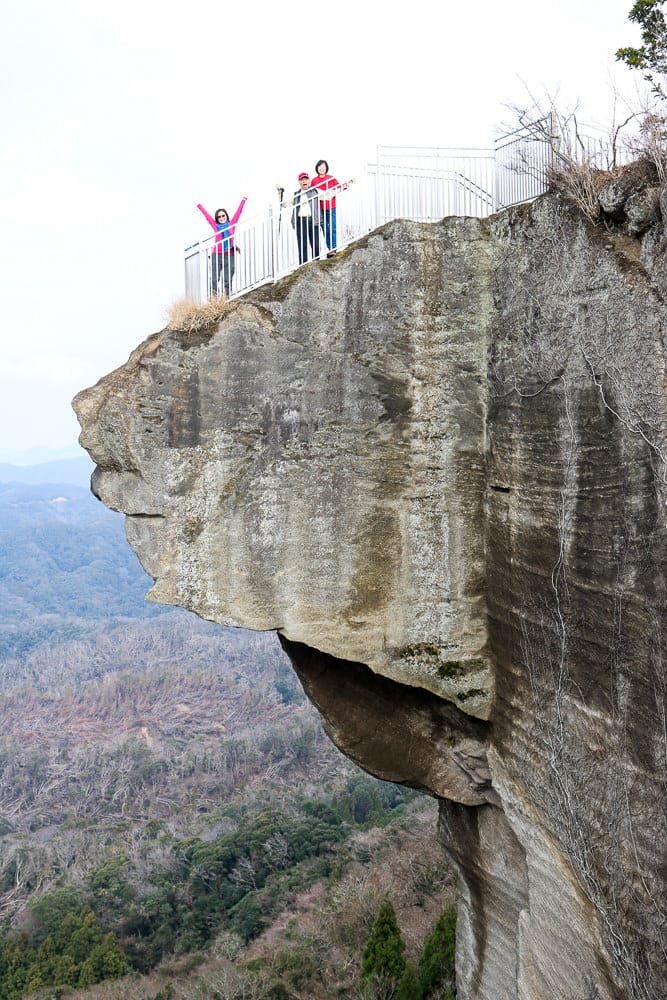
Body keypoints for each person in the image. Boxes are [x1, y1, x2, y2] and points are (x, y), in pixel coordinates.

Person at [196, 197, 247, 297]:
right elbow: (207, 216)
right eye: (219, 217)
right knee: (214, 279)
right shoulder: (216, 226)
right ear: (217, 218)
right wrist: (199, 205)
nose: (221, 218)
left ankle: (227, 297)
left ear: (226, 216)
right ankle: (214, 299)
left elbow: (239, 212)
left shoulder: (231, 224)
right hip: (217, 255)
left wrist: (244, 199)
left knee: (228, 277)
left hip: (229, 254)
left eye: (223, 215)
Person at [310, 160, 354, 256]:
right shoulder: (314, 181)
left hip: (331, 207)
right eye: (320, 166)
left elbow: (339, 187)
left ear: (326, 168)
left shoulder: (331, 178)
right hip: (319, 209)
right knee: (325, 229)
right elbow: (310, 193)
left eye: (323, 167)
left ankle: (333, 249)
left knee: (332, 228)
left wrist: (347, 184)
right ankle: (330, 249)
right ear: (317, 168)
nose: (322, 168)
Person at [277, 173, 320, 264]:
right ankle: (303, 265)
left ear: (309, 180)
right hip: (300, 221)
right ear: (299, 182)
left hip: (313, 220)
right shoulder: (297, 195)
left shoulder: (315, 191)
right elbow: (284, 204)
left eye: (306, 179)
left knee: (316, 244)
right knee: (302, 245)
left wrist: (342, 188)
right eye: (302, 180)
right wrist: (279, 193)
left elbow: (327, 195)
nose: (304, 181)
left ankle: (316, 263)